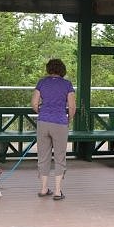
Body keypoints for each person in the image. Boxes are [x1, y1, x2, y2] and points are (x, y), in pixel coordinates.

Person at [31, 58, 76, 200]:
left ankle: (44, 189)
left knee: (43, 156)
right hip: (60, 122)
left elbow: (34, 103)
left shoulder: (42, 82)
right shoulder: (67, 85)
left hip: (43, 122)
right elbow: (72, 106)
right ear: (62, 70)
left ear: (48, 69)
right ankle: (57, 191)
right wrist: (68, 118)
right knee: (60, 157)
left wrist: (42, 113)